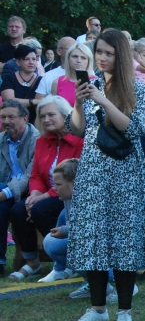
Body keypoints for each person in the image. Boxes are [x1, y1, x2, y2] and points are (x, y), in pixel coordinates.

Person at [65, 30, 145, 321]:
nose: (103, 58)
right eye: (100, 52)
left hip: (124, 170)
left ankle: (125, 311)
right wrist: (80, 103)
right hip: (93, 169)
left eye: (109, 53)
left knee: (124, 237)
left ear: (120, 56)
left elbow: (133, 131)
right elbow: (77, 130)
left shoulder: (137, 88)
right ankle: (97, 307)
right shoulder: (91, 85)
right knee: (93, 235)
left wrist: (104, 101)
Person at [6, 96, 84, 280]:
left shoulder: (79, 140)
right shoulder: (42, 141)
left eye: (51, 115)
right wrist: (34, 193)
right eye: (43, 116)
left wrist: (44, 197)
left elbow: (73, 176)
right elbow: (36, 174)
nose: (46, 119)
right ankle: (32, 262)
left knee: (40, 209)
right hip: (46, 193)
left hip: (69, 194)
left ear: (66, 115)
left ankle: (66, 259)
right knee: (18, 210)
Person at [0, 101, 38, 275]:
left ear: (25, 118)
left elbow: (30, 175)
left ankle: (31, 261)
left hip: (30, 190)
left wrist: (5, 192)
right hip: (5, 190)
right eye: (3, 117)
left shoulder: (37, 139)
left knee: (15, 209)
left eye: (11, 117)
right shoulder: (1, 139)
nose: (6, 121)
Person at [39, 158, 78, 281]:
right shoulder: (68, 197)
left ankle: (112, 282)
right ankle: (60, 268)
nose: (54, 188)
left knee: (53, 244)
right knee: (51, 241)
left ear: (73, 182)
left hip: (104, 251)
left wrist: (65, 231)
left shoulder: (91, 200)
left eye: (58, 184)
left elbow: (92, 229)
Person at [1, 45, 41, 123]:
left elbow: (41, 104)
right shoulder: (9, 78)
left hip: (35, 122)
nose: (31, 62)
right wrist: (33, 101)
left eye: (34, 59)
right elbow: (10, 101)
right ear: (18, 62)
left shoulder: (41, 80)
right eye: (26, 59)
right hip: (12, 122)